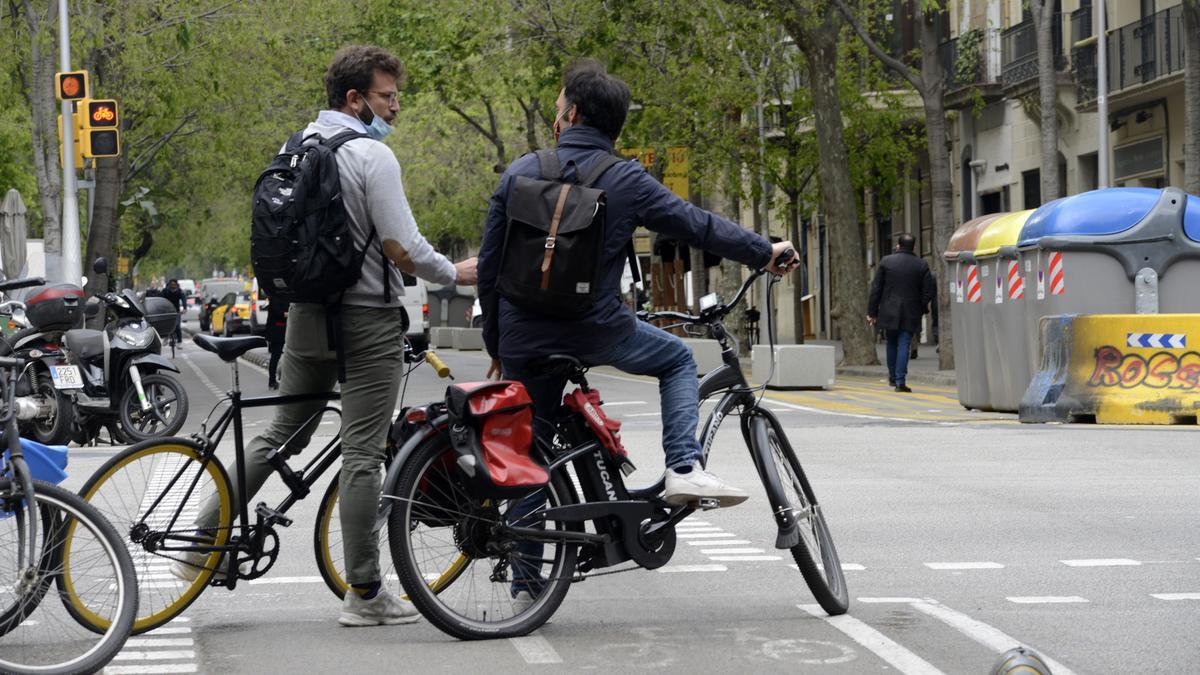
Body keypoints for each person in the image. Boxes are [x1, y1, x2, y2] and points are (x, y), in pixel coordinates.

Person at [184, 45, 478, 627]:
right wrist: (455, 273)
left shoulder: (295, 147)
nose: (395, 108)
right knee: (363, 455)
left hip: (305, 316)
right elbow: (401, 247)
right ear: (355, 98)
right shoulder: (370, 156)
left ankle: (202, 543)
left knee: (280, 433)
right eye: (387, 96)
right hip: (366, 320)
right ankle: (365, 594)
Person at [478, 57, 795, 525]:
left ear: (574, 115)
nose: (556, 113)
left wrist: (498, 344)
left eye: (559, 105)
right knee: (677, 359)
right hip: (596, 329)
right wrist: (763, 250)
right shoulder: (626, 179)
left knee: (532, 451)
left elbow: (489, 268)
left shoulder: (519, 172)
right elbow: (697, 225)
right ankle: (684, 467)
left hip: (522, 335)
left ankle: (527, 580)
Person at [867, 233, 934, 392]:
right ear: (914, 247)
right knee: (904, 344)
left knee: (891, 342)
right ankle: (900, 381)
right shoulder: (921, 264)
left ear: (898, 245)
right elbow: (928, 291)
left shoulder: (886, 262)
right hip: (911, 310)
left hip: (889, 309)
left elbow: (876, 288)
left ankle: (892, 377)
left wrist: (872, 311)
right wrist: (922, 307)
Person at [264, 299, 289, 390]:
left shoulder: (285, 298)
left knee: (286, 356)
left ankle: (282, 379)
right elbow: (277, 313)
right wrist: (289, 314)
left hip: (284, 331)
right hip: (276, 332)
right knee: (275, 356)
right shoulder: (275, 299)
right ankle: (272, 381)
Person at [160, 279, 186, 344]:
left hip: (176, 311)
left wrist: (184, 308)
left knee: (177, 327)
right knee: (166, 326)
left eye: (174, 285)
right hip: (167, 311)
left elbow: (183, 299)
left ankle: (179, 341)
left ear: (177, 285)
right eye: (171, 285)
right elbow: (161, 299)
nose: (173, 286)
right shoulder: (165, 291)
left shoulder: (179, 291)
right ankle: (166, 338)